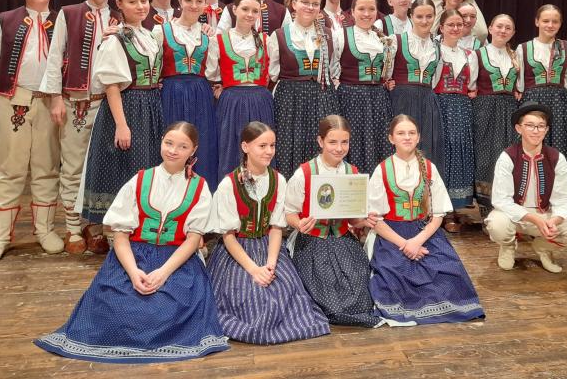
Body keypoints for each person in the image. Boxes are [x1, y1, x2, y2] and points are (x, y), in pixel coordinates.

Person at [35, 122, 230, 363]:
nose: (173, 150)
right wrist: (133, 271)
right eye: (169, 143)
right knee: (115, 305)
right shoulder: (140, 180)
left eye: (182, 146)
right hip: (134, 255)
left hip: (177, 258)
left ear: (193, 150)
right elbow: (120, 236)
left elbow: (192, 240)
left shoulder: (199, 187)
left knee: (169, 306)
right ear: (161, 141)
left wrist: (162, 273)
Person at [206, 122, 330, 344]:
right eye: (262, 146)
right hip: (238, 250)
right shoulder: (229, 184)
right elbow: (228, 236)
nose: (269, 151)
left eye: (272, 145)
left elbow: (276, 228)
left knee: (288, 294)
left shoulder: (278, 180)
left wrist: (271, 264)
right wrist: (254, 269)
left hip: (268, 246)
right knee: (250, 297)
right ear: (245, 147)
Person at [0, 0, 61, 265]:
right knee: (9, 169)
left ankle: (45, 229)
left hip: (50, 102)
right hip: (13, 100)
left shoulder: (61, 21)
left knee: (47, 166)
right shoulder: (6, 20)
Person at [366, 115, 485, 325]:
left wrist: (417, 241)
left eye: (411, 133)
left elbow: (438, 214)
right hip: (392, 234)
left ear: (418, 137)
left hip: (424, 231)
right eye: (401, 133)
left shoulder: (429, 168)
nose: (407, 137)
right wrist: (406, 244)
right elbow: (376, 220)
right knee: (394, 273)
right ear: (391, 138)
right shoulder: (382, 170)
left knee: (447, 270)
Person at [39, 0, 120, 254]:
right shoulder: (69, 13)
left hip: (108, 102)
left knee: (100, 166)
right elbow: (54, 56)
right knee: (73, 166)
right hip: (76, 102)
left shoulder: (119, 16)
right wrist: (55, 97)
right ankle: (73, 226)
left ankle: (94, 223)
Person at [79, 0, 164, 255]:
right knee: (125, 168)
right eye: (132, 1)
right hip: (127, 108)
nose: (140, 6)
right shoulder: (115, 40)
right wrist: (122, 125)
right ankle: (117, 235)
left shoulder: (150, 36)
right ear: (120, 5)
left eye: (143, 1)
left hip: (150, 106)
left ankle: (141, 229)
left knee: (146, 167)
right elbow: (112, 85)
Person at [284, 115, 383, 327]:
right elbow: (289, 213)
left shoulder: (352, 173)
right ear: (320, 141)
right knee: (325, 289)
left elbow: (353, 219)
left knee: (359, 290)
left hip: (342, 239)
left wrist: (364, 220)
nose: (339, 148)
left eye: (344, 142)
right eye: (332, 142)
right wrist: (299, 224)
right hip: (312, 241)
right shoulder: (304, 173)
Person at [485, 103, 567, 273]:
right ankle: (507, 245)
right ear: (519, 128)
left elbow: (564, 200)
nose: (536, 131)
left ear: (546, 130)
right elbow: (501, 200)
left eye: (541, 126)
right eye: (530, 125)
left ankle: (544, 246)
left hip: (545, 214)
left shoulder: (557, 158)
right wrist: (534, 219)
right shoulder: (507, 157)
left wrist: (554, 221)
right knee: (496, 224)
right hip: (515, 215)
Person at [153, 0, 219, 189]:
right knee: (172, 143)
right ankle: (166, 195)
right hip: (171, 93)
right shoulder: (161, 30)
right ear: (179, 1)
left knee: (202, 144)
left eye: (199, 1)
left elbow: (214, 71)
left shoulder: (210, 35)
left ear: (205, 4)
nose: (193, 5)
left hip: (201, 95)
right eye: (188, 0)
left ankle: (199, 195)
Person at [269, 0, 339, 178]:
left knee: (322, 146)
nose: (310, 7)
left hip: (322, 98)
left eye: (315, 4)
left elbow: (334, 69)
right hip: (290, 100)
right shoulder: (279, 35)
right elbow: (272, 73)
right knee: (289, 147)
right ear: (294, 4)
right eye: (305, 2)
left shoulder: (329, 35)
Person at [206, 0, 274, 182]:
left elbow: (273, 71)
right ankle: (231, 192)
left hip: (260, 100)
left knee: (262, 146)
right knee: (231, 148)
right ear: (234, 9)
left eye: (255, 10)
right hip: (232, 101)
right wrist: (220, 88)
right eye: (245, 9)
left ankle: (262, 191)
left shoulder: (266, 40)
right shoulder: (219, 40)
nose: (250, 14)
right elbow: (211, 73)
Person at [330, 0, 395, 173]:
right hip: (351, 98)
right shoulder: (341, 35)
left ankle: (375, 185)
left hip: (378, 100)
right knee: (353, 142)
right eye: (361, 9)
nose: (367, 14)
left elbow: (387, 72)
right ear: (352, 12)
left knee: (379, 142)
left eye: (371, 9)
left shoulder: (384, 39)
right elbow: (332, 68)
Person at [433, 10, 479, 231]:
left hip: (461, 106)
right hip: (440, 104)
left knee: (460, 151)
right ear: (441, 27)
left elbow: (471, 85)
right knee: (444, 153)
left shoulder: (469, 54)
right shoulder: (435, 50)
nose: (455, 28)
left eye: (459, 24)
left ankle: (456, 207)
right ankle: (440, 210)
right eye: (450, 24)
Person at [515, 4, 567, 168]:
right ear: (537, 22)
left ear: (560, 24)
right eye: (545, 21)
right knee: (531, 142)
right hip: (532, 101)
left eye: (555, 21)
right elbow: (520, 82)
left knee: (559, 144)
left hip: (559, 102)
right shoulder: (523, 48)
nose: (550, 25)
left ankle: (556, 181)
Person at [387, 0, 444, 170]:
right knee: (401, 146)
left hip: (428, 102)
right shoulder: (396, 40)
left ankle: (424, 185)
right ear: (411, 16)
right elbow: (386, 74)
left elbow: (435, 78)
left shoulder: (437, 46)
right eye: (419, 16)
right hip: (402, 100)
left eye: (429, 16)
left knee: (427, 148)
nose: (424, 21)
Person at [473, 14, 521, 217]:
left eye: (508, 28)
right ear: (490, 28)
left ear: (513, 33)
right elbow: (471, 84)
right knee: (485, 156)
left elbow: (520, 86)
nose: (503, 30)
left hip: (509, 109)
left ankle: (506, 204)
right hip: (485, 108)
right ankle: (486, 206)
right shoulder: (477, 54)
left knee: (507, 155)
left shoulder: (516, 56)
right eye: (499, 26)